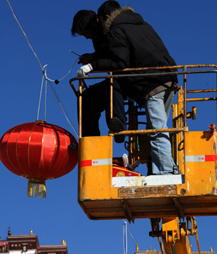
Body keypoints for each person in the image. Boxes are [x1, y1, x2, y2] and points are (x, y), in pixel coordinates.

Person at [77, 1, 178, 175]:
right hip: (169, 78)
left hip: (151, 82)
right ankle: (162, 170)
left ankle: (167, 172)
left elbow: (120, 62)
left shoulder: (116, 29)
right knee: (157, 129)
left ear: (105, 18)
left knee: (156, 130)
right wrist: (95, 57)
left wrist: (92, 66)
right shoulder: (141, 24)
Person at [71, 10, 127, 141]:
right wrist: (93, 57)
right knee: (86, 98)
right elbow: (106, 54)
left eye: (86, 33)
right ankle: (90, 141)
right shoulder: (97, 38)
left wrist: (92, 64)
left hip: (129, 77)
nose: (86, 37)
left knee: (111, 86)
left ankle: (118, 127)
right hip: (115, 78)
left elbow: (117, 57)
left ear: (93, 23)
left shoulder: (113, 31)